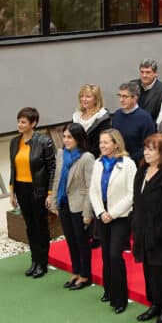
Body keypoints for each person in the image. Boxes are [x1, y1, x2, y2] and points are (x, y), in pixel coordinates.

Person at [132, 133, 162, 323]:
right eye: (146, 148)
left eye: (152, 149)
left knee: (161, 273)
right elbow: (137, 199)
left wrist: (159, 232)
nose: (147, 152)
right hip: (142, 229)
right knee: (147, 270)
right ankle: (154, 304)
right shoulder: (142, 170)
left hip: (160, 233)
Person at [89, 128, 137, 313]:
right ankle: (108, 290)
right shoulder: (98, 163)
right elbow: (93, 190)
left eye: (106, 142)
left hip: (120, 217)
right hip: (102, 215)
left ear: (116, 144)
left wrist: (112, 213)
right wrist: (101, 212)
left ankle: (120, 298)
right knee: (105, 254)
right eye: (101, 143)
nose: (102, 146)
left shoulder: (128, 164)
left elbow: (132, 194)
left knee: (115, 255)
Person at [9, 107, 56, 278]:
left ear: (33, 123)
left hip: (39, 190)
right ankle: (34, 260)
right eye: (18, 121)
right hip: (21, 189)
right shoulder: (14, 142)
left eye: (23, 122)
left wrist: (50, 193)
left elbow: (52, 168)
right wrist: (11, 192)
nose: (19, 125)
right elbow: (12, 168)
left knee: (40, 226)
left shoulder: (44, 141)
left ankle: (42, 263)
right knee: (29, 226)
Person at [48, 123, 96, 290]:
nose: (66, 140)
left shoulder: (87, 157)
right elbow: (57, 178)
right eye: (65, 136)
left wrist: (87, 212)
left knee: (82, 241)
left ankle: (85, 275)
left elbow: (91, 187)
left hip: (79, 206)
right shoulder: (61, 154)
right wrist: (54, 201)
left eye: (70, 137)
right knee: (70, 240)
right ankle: (75, 271)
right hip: (63, 204)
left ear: (78, 139)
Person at [111, 81, 157, 164]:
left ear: (135, 98)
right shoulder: (117, 115)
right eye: (120, 96)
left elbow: (149, 144)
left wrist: (130, 160)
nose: (121, 100)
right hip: (115, 161)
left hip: (136, 164)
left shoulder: (145, 118)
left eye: (125, 96)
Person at [73, 83, 111, 158]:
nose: (84, 99)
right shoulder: (77, 116)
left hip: (94, 158)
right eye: (82, 96)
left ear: (96, 99)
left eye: (88, 96)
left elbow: (102, 144)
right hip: (76, 157)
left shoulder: (102, 118)